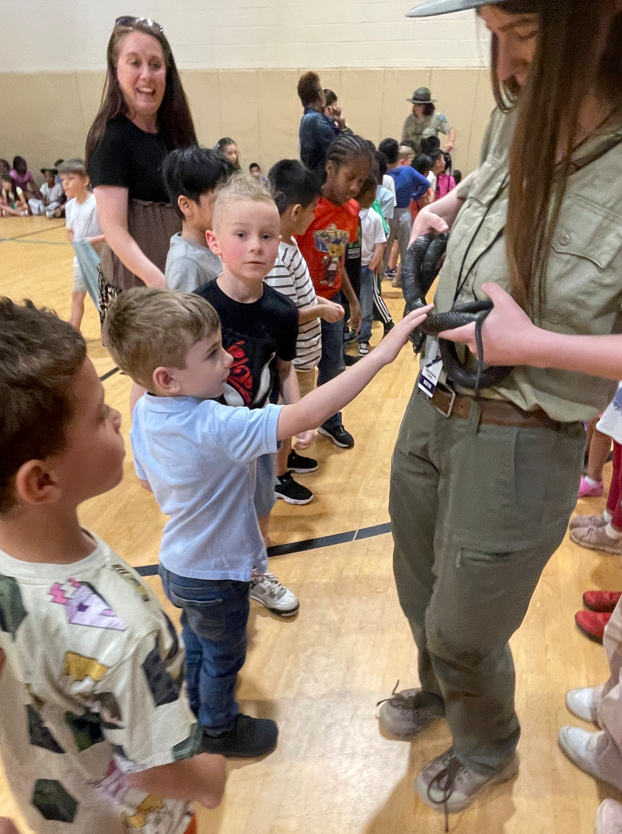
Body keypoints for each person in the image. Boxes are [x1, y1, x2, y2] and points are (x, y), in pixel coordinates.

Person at [380, 0, 622, 826]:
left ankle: (487, 743)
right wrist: (454, 202)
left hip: (523, 436)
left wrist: (535, 344)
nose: (507, 63)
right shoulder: (519, 111)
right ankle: (443, 692)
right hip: (432, 400)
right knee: (418, 586)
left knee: (462, 622)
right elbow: (503, 165)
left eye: (523, 35)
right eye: (493, 36)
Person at [104, 289, 432, 757]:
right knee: (224, 656)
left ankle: (196, 706)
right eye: (213, 354)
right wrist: (382, 353)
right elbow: (308, 413)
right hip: (218, 574)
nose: (228, 360)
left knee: (197, 640)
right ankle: (218, 730)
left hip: (178, 566)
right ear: (167, 377)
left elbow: (146, 484)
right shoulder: (213, 425)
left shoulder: (146, 411)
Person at [0, 297, 227, 834]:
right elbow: (156, 770)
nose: (117, 415)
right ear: (41, 482)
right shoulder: (121, 632)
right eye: (100, 413)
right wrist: (209, 778)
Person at [193, 174, 302, 616]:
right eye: (241, 235)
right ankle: (213, 581)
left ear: (280, 242)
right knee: (212, 515)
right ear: (214, 241)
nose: (256, 246)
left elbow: (284, 371)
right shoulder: (197, 308)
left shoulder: (283, 312)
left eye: (267, 236)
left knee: (260, 507)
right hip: (209, 437)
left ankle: (258, 572)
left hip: (256, 434)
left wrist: (300, 416)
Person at [86, 16, 197, 324]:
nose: (146, 75)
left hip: (181, 278)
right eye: (134, 62)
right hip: (140, 289)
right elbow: (115, 230)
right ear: (116, 69)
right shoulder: (111, 138)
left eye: (155, 64)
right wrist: (157, 280)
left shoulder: (175, 132)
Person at [266, 159, 346, 503]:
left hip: (305, 356)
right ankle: (278, 476)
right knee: (289, 421)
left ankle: (288, 460)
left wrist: (318, 302)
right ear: (296, 211)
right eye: (313, 210)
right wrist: (320, 309)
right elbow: (285, 314)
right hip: (293, 359)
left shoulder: (292, 244)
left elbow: (300, 294)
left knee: (296, 422)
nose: (316, 217)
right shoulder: (277, 257)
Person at [296, 133, 371, 449]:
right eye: (350, 178)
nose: (355, 187)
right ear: (330, 168)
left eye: (361, 180)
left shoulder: (352, 211)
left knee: (334, 365)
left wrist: (353, 299)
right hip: (299, 302)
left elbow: (336, 260)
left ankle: (331, 421)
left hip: (332, 300)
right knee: (299, 370)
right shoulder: (308, 208)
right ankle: (294, 427)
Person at [163, 146, 234, 292]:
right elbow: (189, 315)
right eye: (219, 199)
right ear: (186, 205)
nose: (228, 205)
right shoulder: (185, 263)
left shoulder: (213, 244)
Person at [60, 158, 105, 331]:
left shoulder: (96, 203)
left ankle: (110, 331)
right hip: (81, 261)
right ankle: (74, 330)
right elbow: (70, 231)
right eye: (63, 179)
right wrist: (77, 245)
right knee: (77, 296)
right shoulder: (70, 206)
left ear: (85, 180)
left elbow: (110, 233)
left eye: (70, 178)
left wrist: (90, 242)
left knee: (103, 298)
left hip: (100, 260)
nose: (65, 183)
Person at [382, 144, 430, 288]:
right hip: (404, 212)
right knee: (406, 249)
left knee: (386, 247)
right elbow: (425, 183)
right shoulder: (408, 171)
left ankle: (378, 278)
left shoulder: (386, 173)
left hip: (388, 213)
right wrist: (415, 196)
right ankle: (402, 280)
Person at [355, 176, 387, 357]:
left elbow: (380, 244)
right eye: (374, 192)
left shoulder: (375, 218)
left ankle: (363, 339)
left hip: (365, 267)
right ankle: (349, 334)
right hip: (349, 270)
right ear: (367, 194)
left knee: (366, 306)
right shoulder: (350, 215)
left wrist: (371, 265)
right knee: (349, 304)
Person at [297, 71, 341, 177]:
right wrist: (342, 126)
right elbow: (343, 150)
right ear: (320, 95)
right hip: (320, 184)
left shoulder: (308, 118)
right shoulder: (316, 120)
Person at [401, 87, 455, 154]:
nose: (415, 107)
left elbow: (450, 130)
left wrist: (450, 142)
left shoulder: (437, 117)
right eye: (414, 104)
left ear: (426, 106)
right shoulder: (410, 119)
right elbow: (404, 139)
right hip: (412, 157)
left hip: (428, 157)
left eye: (418, 105)